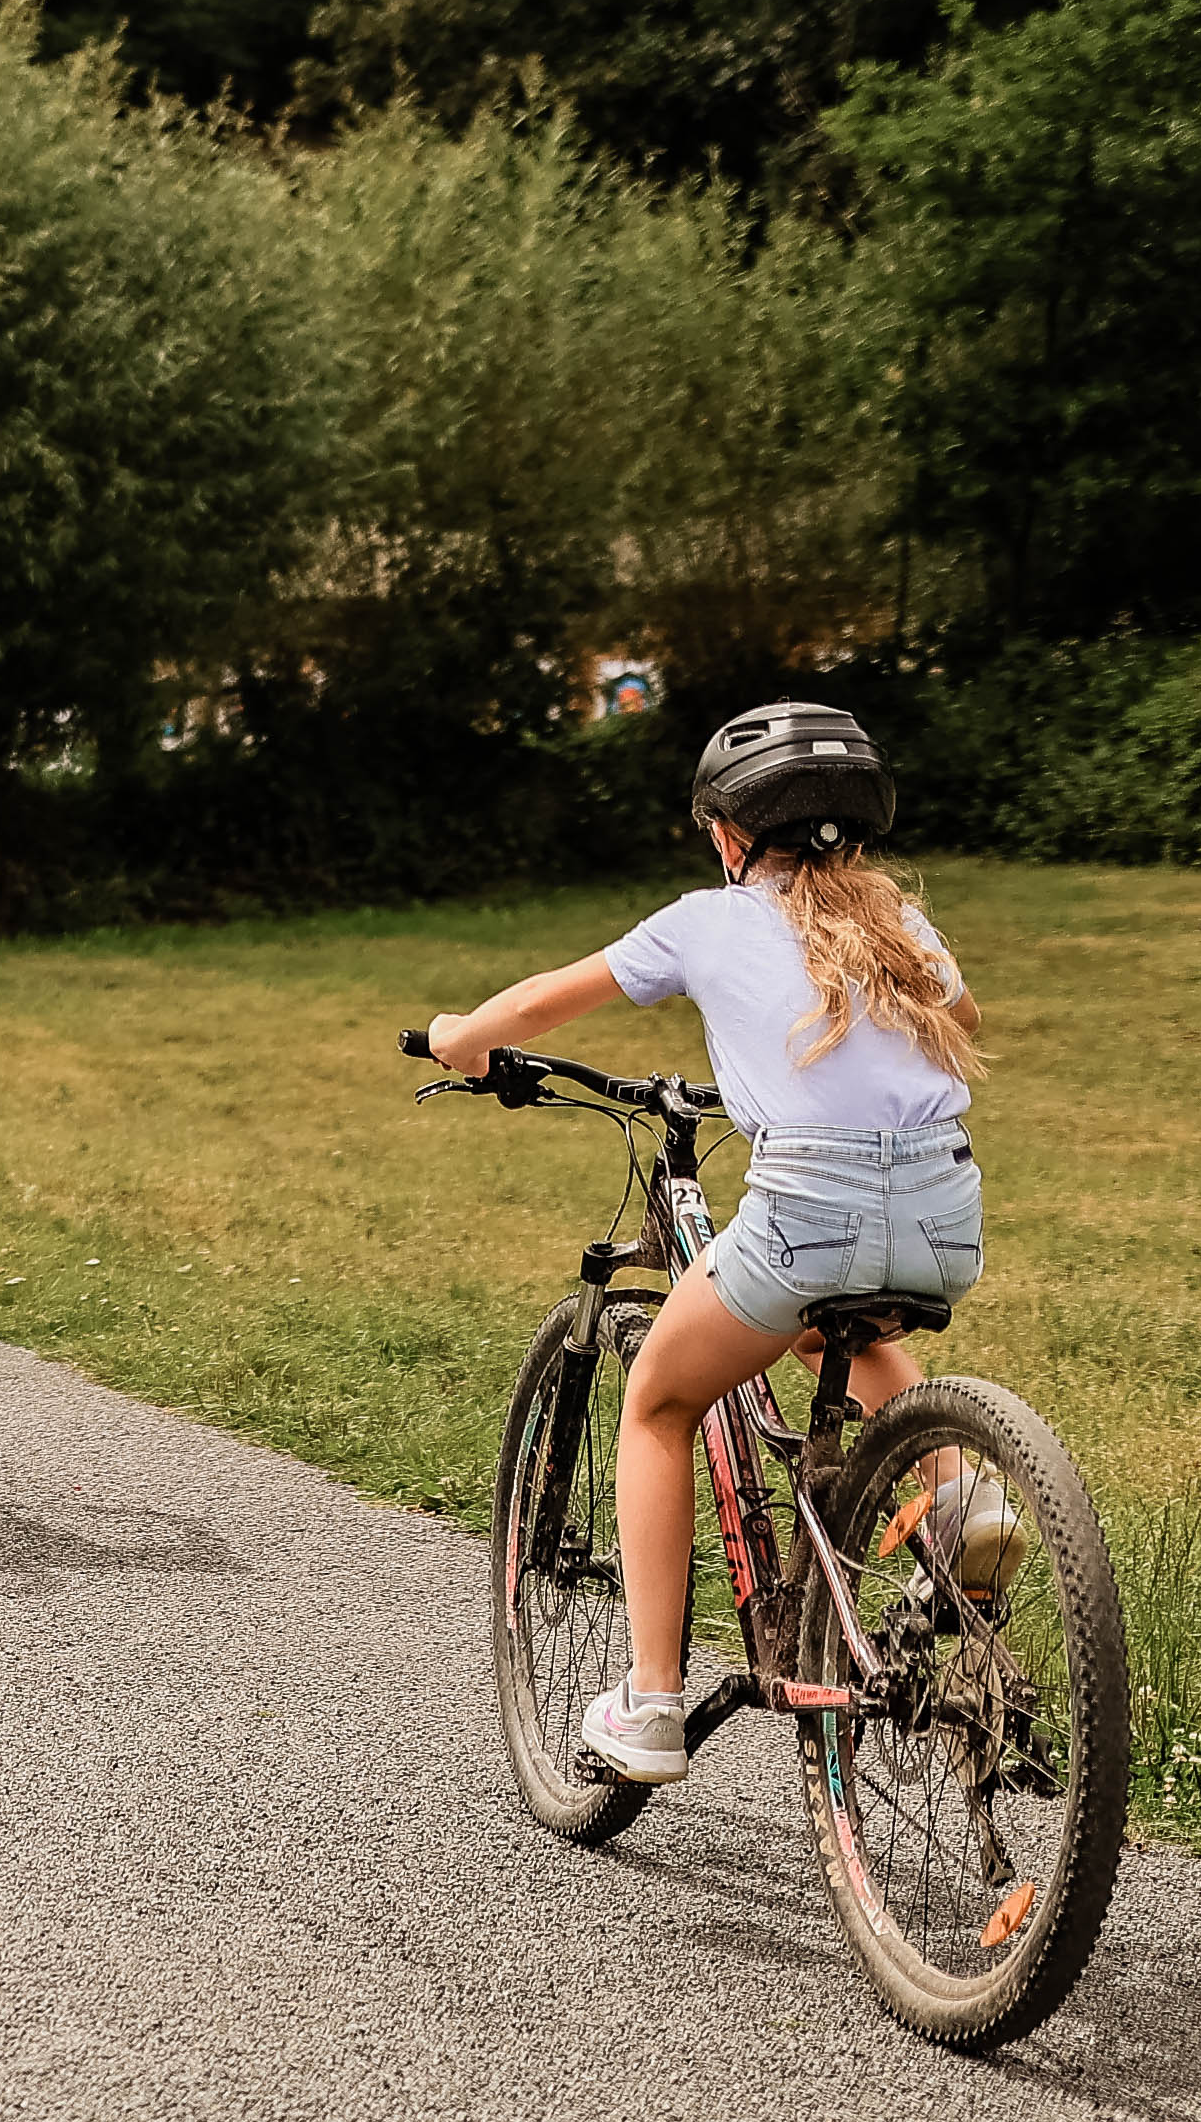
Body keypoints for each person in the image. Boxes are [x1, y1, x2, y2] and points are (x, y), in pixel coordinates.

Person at [421, 700, 1002, 1786]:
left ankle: (648, 1707)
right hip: (942, 1213)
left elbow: (549, 999)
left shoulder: (703, 920)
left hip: (807, 1212)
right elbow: (959, 1024)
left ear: (732, 835)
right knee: (835, 1316)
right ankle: (967, 1491)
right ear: (857, 834)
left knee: (659, 1398)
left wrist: (462, 1038)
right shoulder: (903, 928)